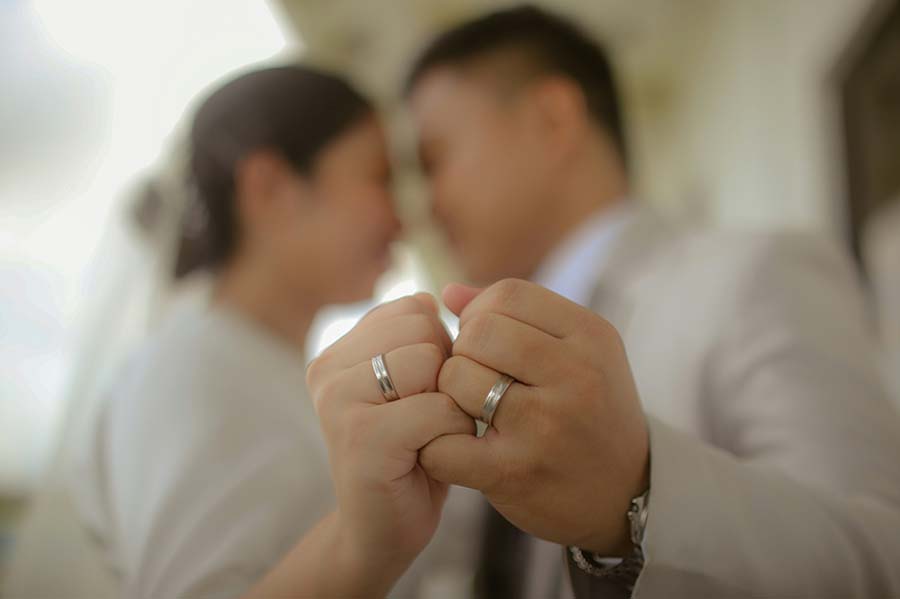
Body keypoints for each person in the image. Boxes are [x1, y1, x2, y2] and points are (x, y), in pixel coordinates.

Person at [66, 65, 473, 599]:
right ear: (269, 187)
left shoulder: (264, 366)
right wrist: (362, 548)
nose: (405, 220)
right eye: (379, 177)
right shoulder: (190, 370)